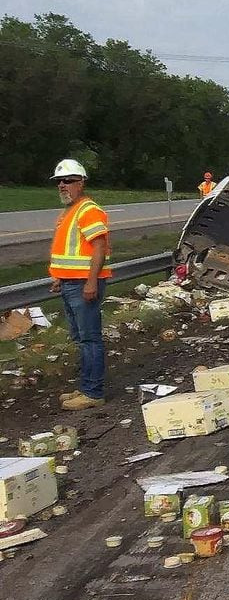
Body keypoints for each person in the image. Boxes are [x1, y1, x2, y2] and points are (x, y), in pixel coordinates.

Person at [47, 159, 112, 411]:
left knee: (89, 339)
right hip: (69, 282)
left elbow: (99, 248)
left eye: (69, 180)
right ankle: (86, 385)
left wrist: (91, 281)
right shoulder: (69, 212)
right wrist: (58, 277)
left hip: (84, 283)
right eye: (59, 182)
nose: (63, 185)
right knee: (80, 337)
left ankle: (92, 392)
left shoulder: (88, 210)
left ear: (81, 182)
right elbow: (67, 250)